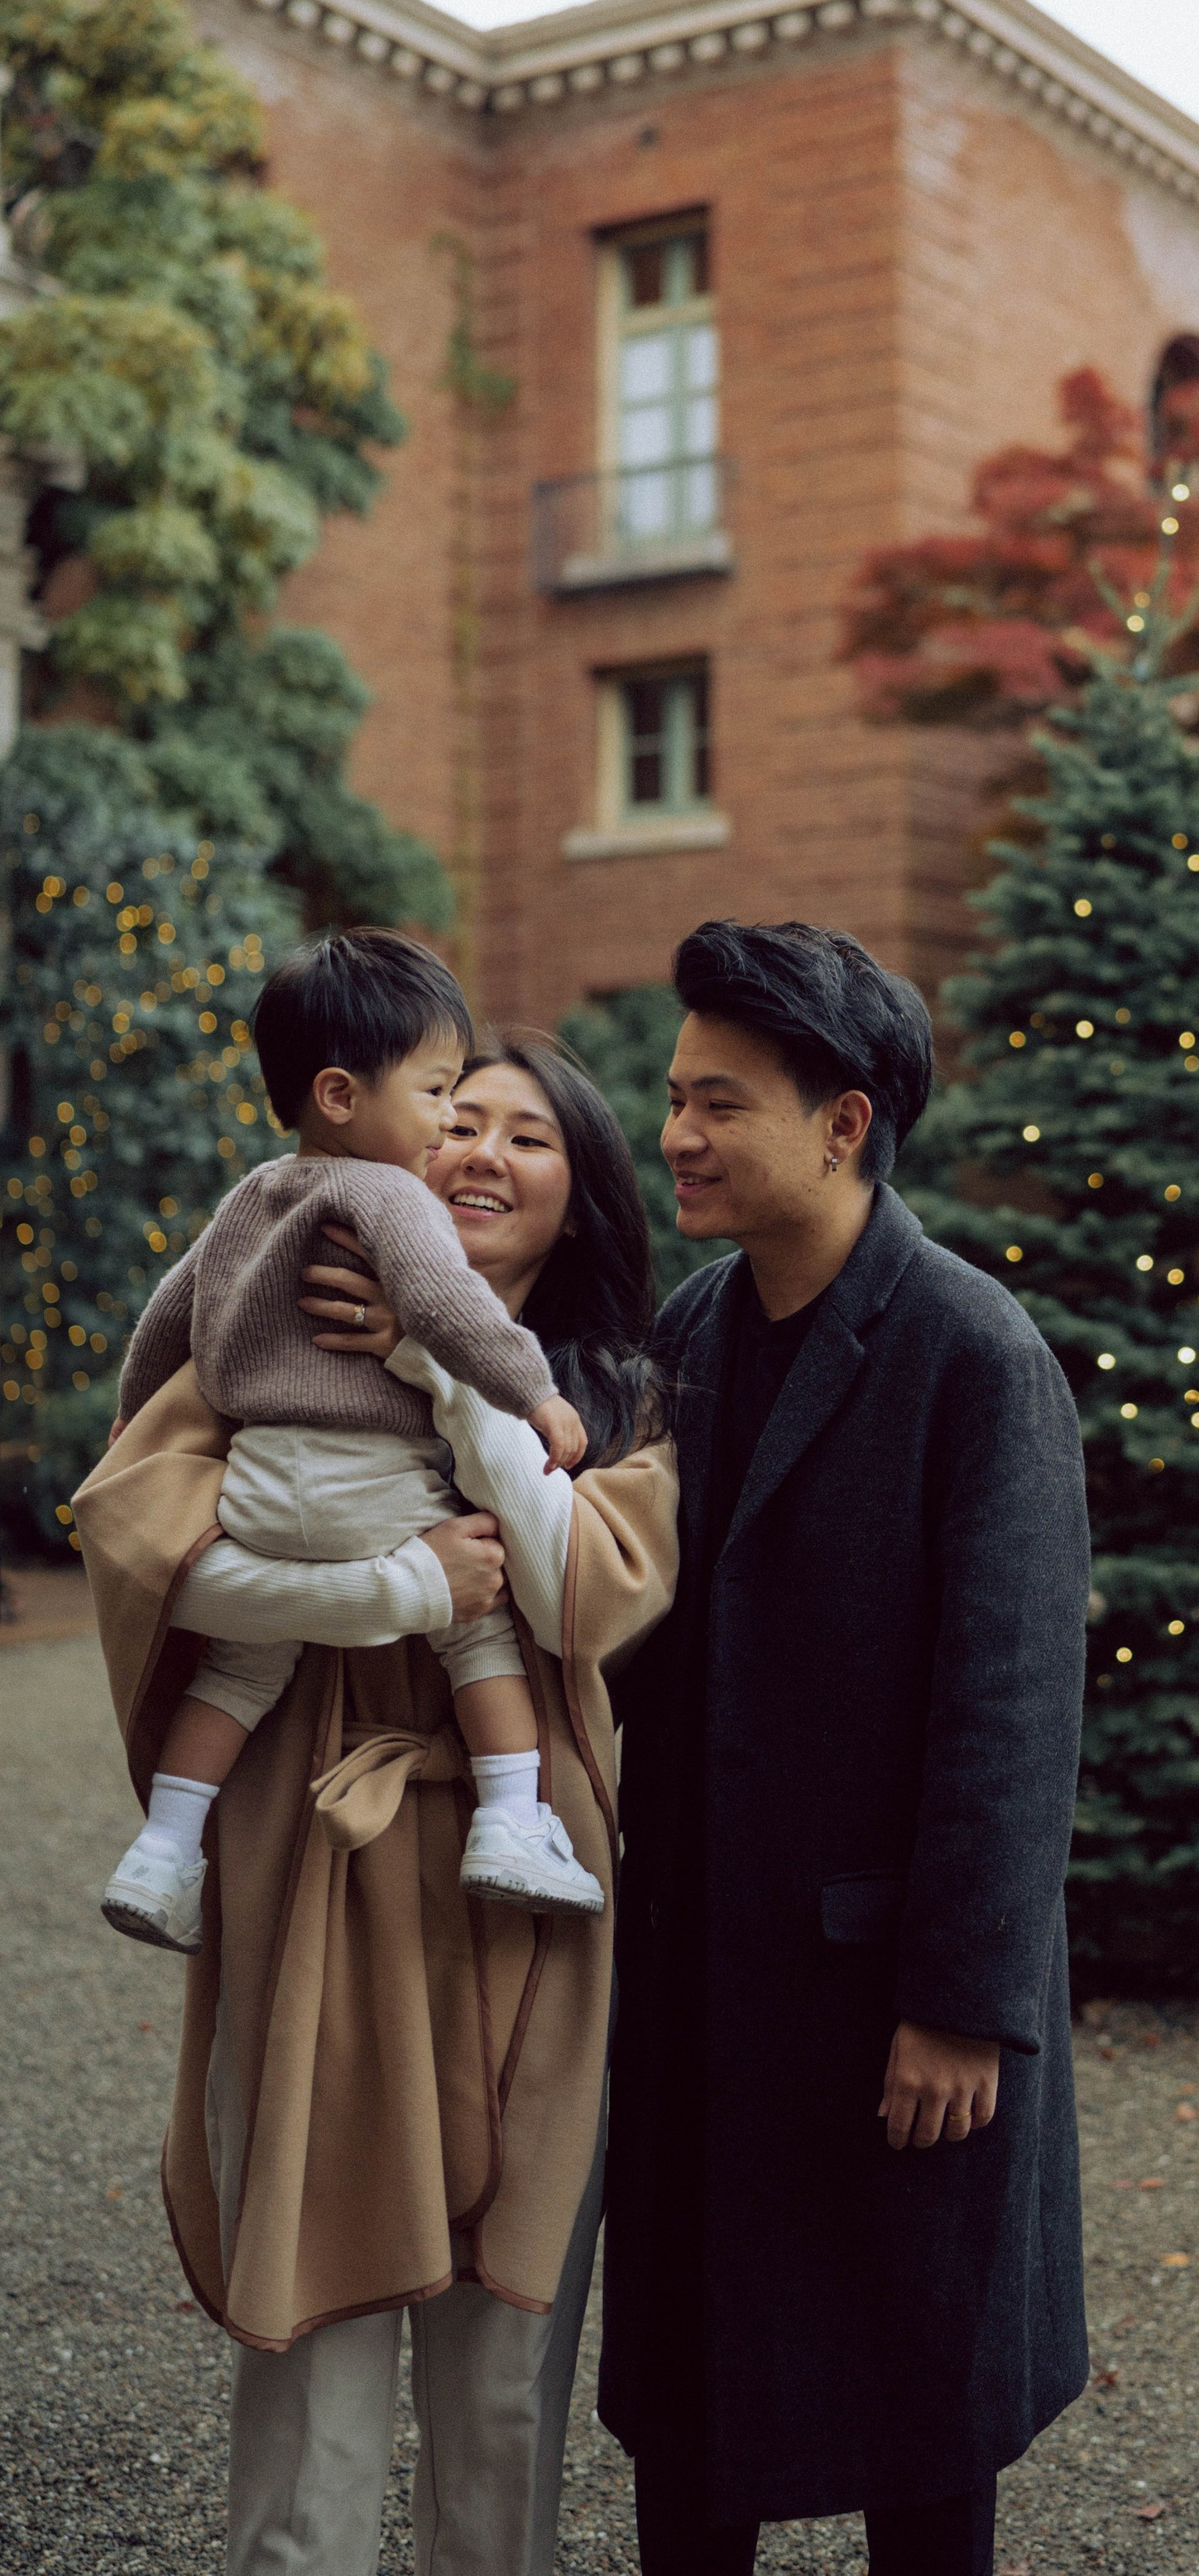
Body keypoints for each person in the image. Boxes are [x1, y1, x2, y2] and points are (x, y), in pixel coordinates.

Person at [74, 1034, 679, 2576]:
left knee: (498, 2370)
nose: (479, 1149)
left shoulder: (619, 1396)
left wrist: (440, 1368)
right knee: (313, 2319)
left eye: (526, 1134)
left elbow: (575, 1592)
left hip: (521, 1887)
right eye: (457, 1117)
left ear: (582, 1188)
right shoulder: (271, 1338)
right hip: (308, 1860)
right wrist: (388, 1590)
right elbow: (146, 1545)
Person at [602, 920, 1091, 2576]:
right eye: (674, 1097)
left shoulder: (974, 1355)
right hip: (704, 1991)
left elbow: (1010, 1714)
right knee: (694, 2428)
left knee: (921, 2441)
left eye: (717, 1102)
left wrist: (961, 2006)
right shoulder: (685, 1330)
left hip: (892, 2003)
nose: (676, 1133)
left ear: (844, 1123)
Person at [100, 932, 598, 1955]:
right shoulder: (387, 1193)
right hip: (369, 1482)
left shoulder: (248, 1197)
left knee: (236, 1675)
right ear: (339, 1095)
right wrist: (534, 1392)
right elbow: (445, 1301)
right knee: (479, 1633)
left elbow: (163, 1317)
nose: (449, 1123)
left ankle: (161, 1849)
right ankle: (511, 1823)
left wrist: (129, 1420)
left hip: (258, 1487)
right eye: (439, 1095)